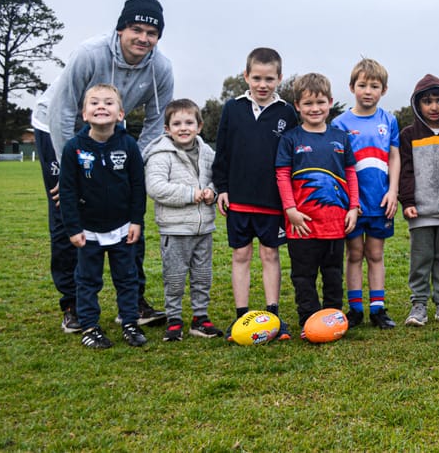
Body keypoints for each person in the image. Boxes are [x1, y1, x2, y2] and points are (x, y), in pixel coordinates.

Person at [33, 0, 172, 333]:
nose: (143, 38)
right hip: (57, 127)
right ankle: (74, 305)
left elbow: (156, 122)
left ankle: (134, 301)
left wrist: (131, 165)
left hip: (114, 132)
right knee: (69, 210)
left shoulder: (162, 69)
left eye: (151, 33)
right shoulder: (89, 53)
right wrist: (72, 170)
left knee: (127, 212)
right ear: (121, 29)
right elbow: (64, 111)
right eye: (136, 30)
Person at [212, 47, 298, 340]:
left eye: (269, 79)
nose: (263, 85)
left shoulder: (287, 112)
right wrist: (221, 188)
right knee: (241, 254)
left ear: (279, 79)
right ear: (246, 76)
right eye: (257, 78)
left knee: (270, 254)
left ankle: (273, 317)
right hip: (238, 198)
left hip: (272, 201)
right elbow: (221, 152)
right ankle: (242, 318)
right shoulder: (232, 108)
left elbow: (292, 158)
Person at [58, 84, 148, 349]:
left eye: (108, 103)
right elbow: (67, 191)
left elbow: (137, 187)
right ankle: (89, 327)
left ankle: (130, 322)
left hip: (122, 229)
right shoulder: (73, 148)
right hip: (88, 231)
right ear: (84, 114)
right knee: (87, 281)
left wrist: (136, 221)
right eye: (94, 103)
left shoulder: (129, 145)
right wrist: (73, 228)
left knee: (127, 278)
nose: (101, 107)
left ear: (120, 114)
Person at [275, 73, 359, 334]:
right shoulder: (290, 139)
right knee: (303, 277)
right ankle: (309, 321)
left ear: (330, 102)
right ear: (297, 106)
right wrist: (291, 210)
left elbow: (351, 174)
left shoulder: (341, 138)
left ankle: (332, 318)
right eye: (308, 103)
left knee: (333, 274)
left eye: (320, 102)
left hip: (336, 223)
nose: (315, 109)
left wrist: (354, 207)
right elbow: (282, 175)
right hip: (302, 224)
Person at [143, 99, 223, 342]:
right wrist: (191, 195)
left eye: (189, 122)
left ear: (199, 126)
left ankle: (200, 318)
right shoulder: (160, 154)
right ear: (167, 129)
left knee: (202, 277)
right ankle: (174, 319)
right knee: (175, 278)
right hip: (175, 229)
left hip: (203, 229)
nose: (183, 127)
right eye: (176, 123)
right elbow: (155, 187)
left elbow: (218, 176)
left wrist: (212, 191)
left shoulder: (208, 153)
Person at [332, 58, 400, 329]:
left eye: (375, 85)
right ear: (352, 88)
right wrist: (349, 200)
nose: (368, 91)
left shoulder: (389, 120)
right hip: (353, 204)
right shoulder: (340, 123)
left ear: (383, 90)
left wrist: (393, 191)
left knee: (375, 254)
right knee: (355, 253)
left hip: (380, 200)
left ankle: (378, 308)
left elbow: (394, 157)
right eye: (362, 85)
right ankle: (356, 308)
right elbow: (337, 165)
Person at [397, 75, 439, 327]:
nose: (433, 107)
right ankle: (419, 304)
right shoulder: (408, 134)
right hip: (419, 211)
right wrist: (408, 201)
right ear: (417, 104)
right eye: (427, 101)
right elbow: (405, 170)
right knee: (421, 258)